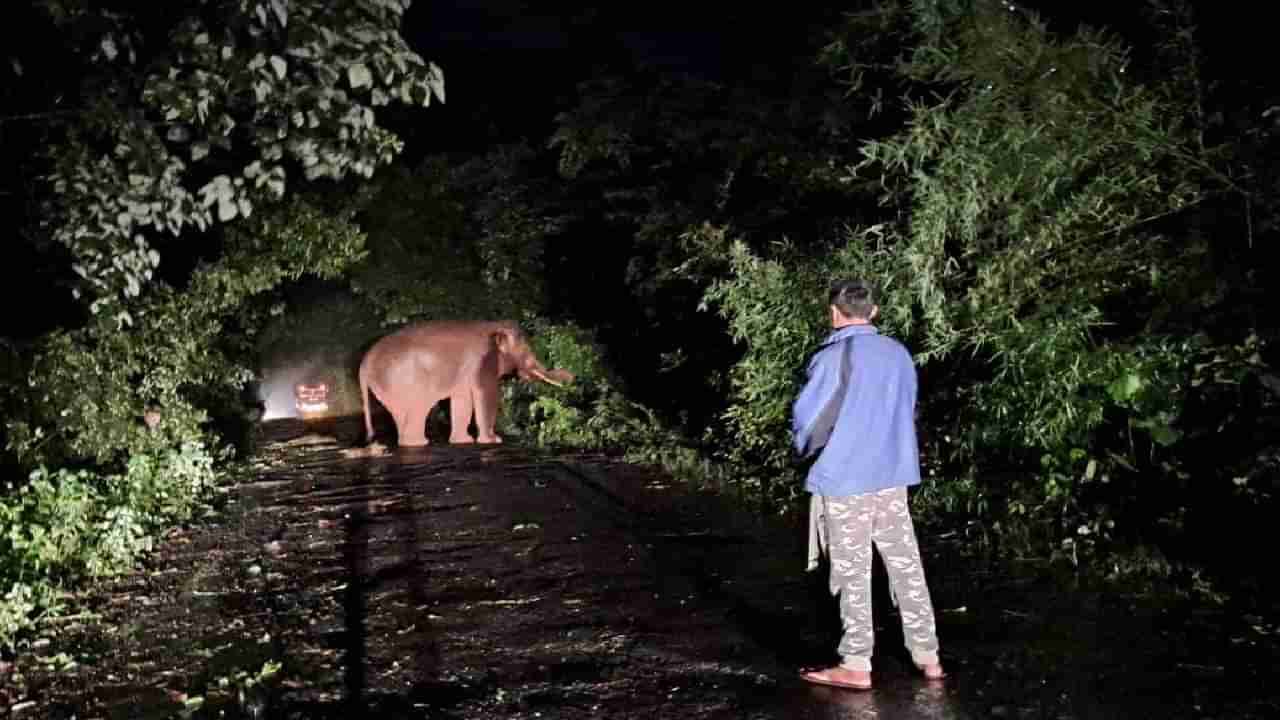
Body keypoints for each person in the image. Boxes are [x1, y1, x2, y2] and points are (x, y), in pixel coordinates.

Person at [792, 279, 944, 691]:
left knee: (852, 571)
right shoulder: (899, 354)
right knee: (906, 565)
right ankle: (928, 655)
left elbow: (809, 422)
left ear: (835, 313)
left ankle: (856, 663)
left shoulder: (834, 356)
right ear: (873, 311)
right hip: (892, 476)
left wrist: (803, 450)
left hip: (846, 480)